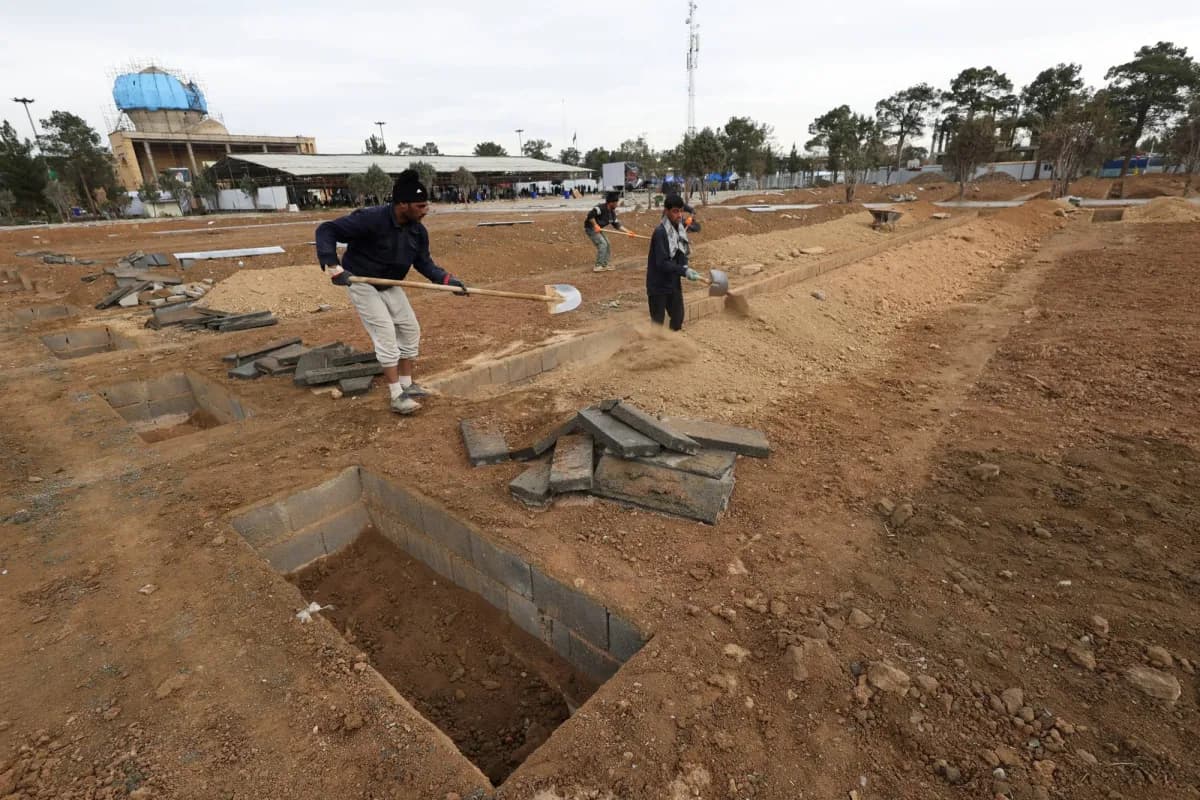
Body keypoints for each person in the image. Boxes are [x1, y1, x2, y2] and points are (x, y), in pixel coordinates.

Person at [315, 169, 469, 415]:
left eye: (425, 205)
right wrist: (333, 266)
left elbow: (424, 263)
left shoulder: (418, 230)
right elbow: (327, 230)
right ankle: (396, 395)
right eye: (419, 206)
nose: (425, 210)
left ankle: (407, 385)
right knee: (385, 332)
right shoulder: (371, 219)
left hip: (390, 282)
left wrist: (447, 280)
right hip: (361, 281)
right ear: (402, 204)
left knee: (409, 329)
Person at [646, 194, 701, 331]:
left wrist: (685, 266)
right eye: (675, 211)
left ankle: (671, 345)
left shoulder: (680, 230)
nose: (679, 215)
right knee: (658, 322)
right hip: (658, 284)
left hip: (673, 283)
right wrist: (684, 271)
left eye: (681, 211)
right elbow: (662, 263)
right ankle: (655, 348)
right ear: (666, 211)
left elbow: (681, 253)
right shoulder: (660, 233)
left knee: (678, 317)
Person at [583, 191, 626, 272]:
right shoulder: (600, 208)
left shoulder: (612, 213)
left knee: (608, 244)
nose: (617, 204)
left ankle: (605, 264)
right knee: (602, 244)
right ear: (611, 203)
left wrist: (628, 232)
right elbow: (590, 216)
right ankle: (598, 266)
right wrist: (595, 225)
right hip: (591, 228)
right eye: (616, 203)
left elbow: (617, 225)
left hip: (599, 229)